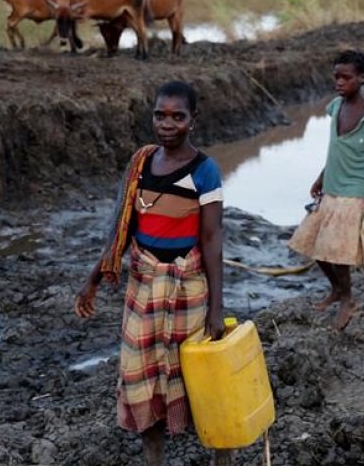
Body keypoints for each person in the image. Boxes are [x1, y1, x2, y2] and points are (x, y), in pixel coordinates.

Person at [74, 80, 229, 466]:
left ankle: (223, 456)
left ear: (193, 120)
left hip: (187, 288)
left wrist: (215, 308)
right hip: (142, 286)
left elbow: (211, 240)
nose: (167, 124)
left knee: (199, 379)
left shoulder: (205, 171)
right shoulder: (141, 164)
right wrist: (92, 279)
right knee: (141, 376)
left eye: (178, 117)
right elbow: (123, 230)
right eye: (160, 115)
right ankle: (153, 455)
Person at [288, 50, 364, 331]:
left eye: (346, 77)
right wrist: (321, 176)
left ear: (362, 78)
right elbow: (336, 148)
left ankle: (347, 299)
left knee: (337, 250)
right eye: (336, 77)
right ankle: (335, 289)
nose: (339, 82)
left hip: (356, 190)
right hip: (332, 186)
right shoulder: (335, 107)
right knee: (315, 244)